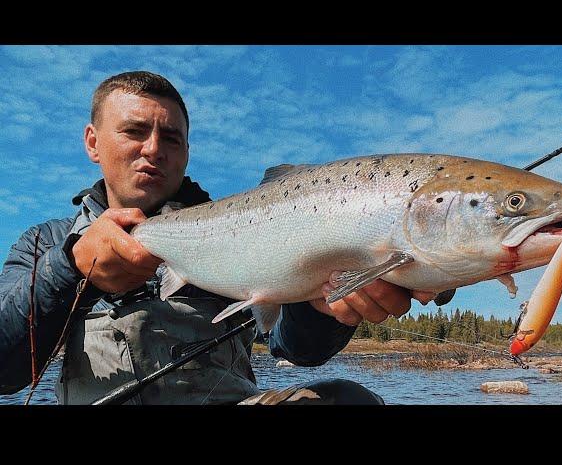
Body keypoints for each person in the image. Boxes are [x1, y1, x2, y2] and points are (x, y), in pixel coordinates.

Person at [0, 71, 434, 405]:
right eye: (134, 132)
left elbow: (293, 348)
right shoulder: (45, 243)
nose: (154, 149)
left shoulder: (242, 229)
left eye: (171, 137)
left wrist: (326, 311)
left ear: (186, 151)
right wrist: (72, 269)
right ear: (93, 142)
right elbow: (5, 370)